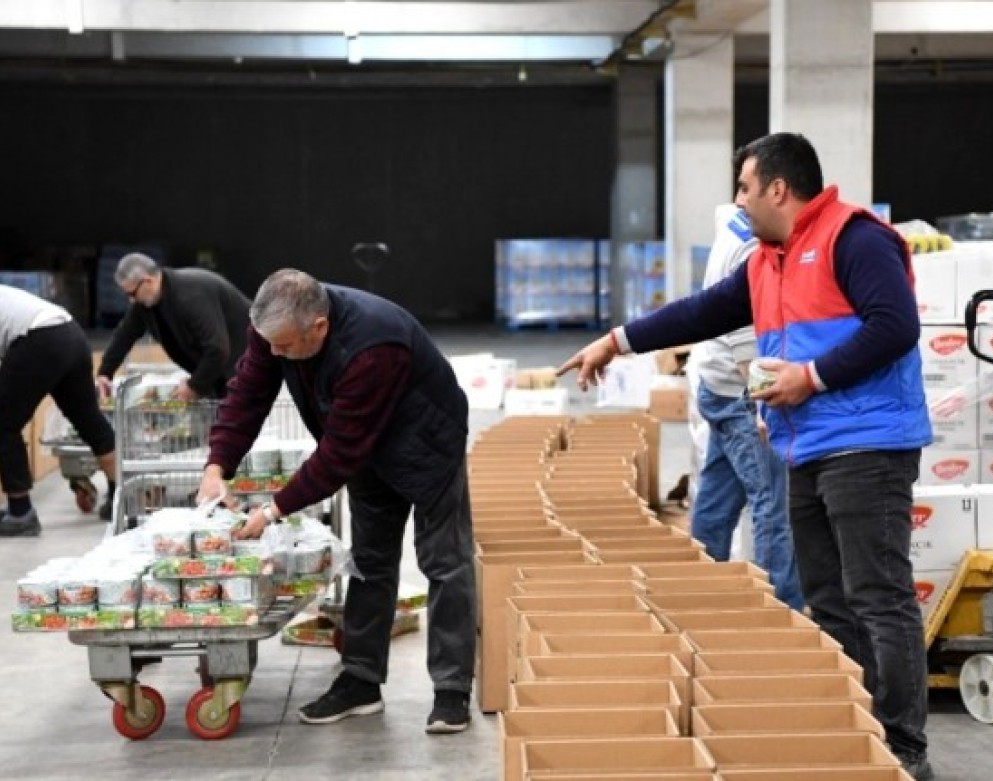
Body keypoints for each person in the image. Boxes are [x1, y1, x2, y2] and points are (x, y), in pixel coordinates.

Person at [559, 132, 933, 780]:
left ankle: (903, 749)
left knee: (878, 594)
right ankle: (858, 724)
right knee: (827, 593)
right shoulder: (770, 260)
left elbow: (896, 325)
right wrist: (615, 340)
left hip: (868, 444)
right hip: (805, 442)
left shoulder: (855, 238)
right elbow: (703, 311)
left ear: (778, 189)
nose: (739, 200)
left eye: (744, 187)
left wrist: (810, 377)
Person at [196, 269, 476, 732]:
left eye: (284, 347)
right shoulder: (275, 327)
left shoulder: (373, 345)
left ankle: (451, 692)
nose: (275, 354)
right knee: (368, 562)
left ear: (319, 328)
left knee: (444, 562)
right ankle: (361, 682)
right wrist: (216, 467)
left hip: (427, 441)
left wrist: (270, 512)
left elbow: (340, 453)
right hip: (365, 447)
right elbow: (247, 393)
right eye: (270, 344)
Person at [688, 204, 802, 610]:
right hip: (739, 392)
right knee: (773, 500)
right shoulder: (753, 245)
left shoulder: (735, 227)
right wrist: (762, 403)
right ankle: (782, 612)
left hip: (718, 386)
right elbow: (741, 333)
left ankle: (696, 593)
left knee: (718, 496)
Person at [0, 282, 118, 535]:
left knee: (2, 424)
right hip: (68, 333)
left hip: (38, 338)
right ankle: (119, 497)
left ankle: (20, 513)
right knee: (87, 418)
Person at [97, 254, 251, 401]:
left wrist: (194, 386)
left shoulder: (190, 296)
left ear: (148, 281)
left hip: (248, 363)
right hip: (219, 372)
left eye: (132, 293)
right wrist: (105, 372)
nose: (131, 300)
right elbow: (124, 336)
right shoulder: (144, 303)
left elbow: (218, 349)